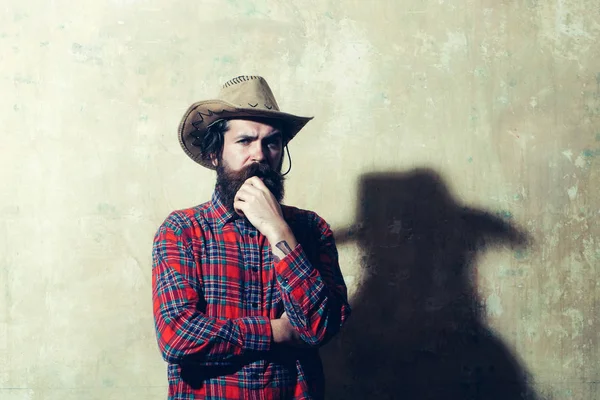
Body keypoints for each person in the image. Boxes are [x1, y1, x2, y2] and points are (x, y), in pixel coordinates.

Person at [152, 75, 351, 399]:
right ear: (216, 154)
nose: (259, 155)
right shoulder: (183, 231)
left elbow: (320, 326)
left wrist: (278, 230)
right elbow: (178, 337)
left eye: (271, 142)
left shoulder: (311, 228)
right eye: (245, 141)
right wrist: (276, 332)